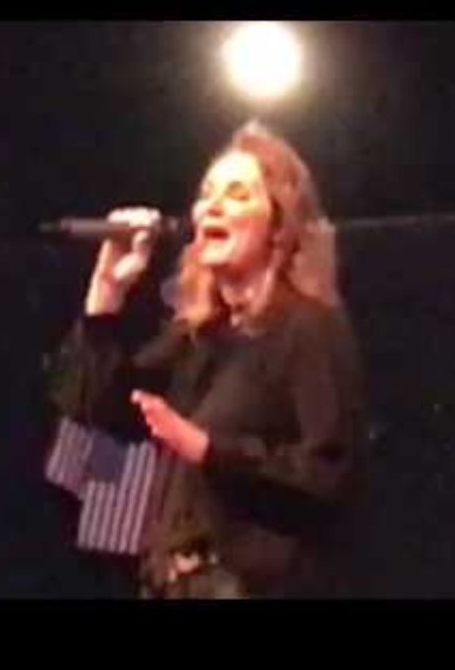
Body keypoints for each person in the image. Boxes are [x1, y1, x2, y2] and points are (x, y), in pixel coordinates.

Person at [50, 121, 366, 598]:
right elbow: (93, 406)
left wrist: (210, 450)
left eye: (238, 194)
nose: (212, 206)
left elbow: (327, 473)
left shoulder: (308, 326)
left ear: (278, 225)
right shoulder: (198, 338)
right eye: (207, 194)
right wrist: (107, 293)